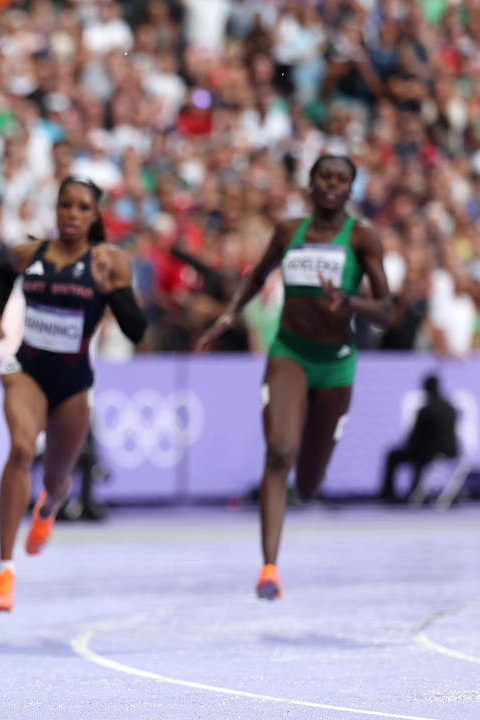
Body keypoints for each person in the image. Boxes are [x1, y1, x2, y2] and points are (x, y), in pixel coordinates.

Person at [195, 155, 391, 601]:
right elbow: (257, 275)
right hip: (289, 354)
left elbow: (388, 311)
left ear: (350, 189)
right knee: (280, 451)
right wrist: (229, 315)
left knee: (308, 481)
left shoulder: (361, 237)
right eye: (325, 176)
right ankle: (269, 569)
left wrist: (350, 302)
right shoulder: (288, 232)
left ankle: (307, 484)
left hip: (337, 363)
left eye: (341, 180)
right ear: (310, 182)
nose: (331, 185)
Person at [0, 175, 147, 612]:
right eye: (65, 205)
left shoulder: (108, 263)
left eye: (82, 208)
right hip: (26, 370)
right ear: (55, 209)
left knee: (56, 481)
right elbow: (2, 267)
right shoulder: (29, 251)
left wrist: (111, 292)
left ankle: (49, 507)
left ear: (95, 217)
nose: (72, 214)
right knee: (19, 449)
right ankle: (3, 570)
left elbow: (138, 330)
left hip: (74, 383)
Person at [379, 375, 458, 503]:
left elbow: (416, 437)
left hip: (428, 453)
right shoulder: (450, 408)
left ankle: (389, 494)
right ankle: (414, 491)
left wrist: (409, 447)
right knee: (418, 455)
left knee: (395, 456)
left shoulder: (425, 410)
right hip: (451, 451)